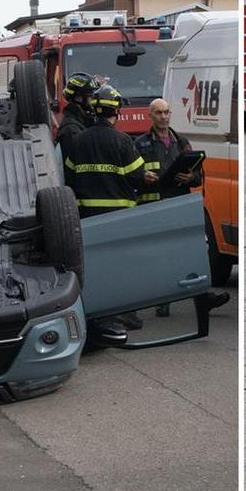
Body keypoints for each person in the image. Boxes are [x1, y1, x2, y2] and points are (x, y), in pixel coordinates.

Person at [64, 84, 148, 344]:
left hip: (88, 214)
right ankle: (127, 315)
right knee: (126, 265)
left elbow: (69, 175)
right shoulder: (122, 141)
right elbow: (138, 175)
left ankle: (99, 314)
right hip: (120, 214)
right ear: (117, 112)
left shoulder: (78, 140)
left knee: (96, 266)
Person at [134, 98, 203, 320]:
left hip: (178, 205)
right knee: (159, 256)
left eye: (166, 112)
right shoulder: (141, 144)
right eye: (158, 113)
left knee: (186, 253)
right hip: (154, 206)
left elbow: (199, 176)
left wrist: (191, 176)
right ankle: (162, 300)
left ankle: (199, 299)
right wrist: (143, 177)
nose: (163, 117)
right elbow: (132, 176)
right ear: (150, 116)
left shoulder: (182, 142)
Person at [57, 71, 99, 159]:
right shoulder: (70, 130)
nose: (94, 101)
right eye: (91, 97)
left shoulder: (81, 122)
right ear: (78, 98)